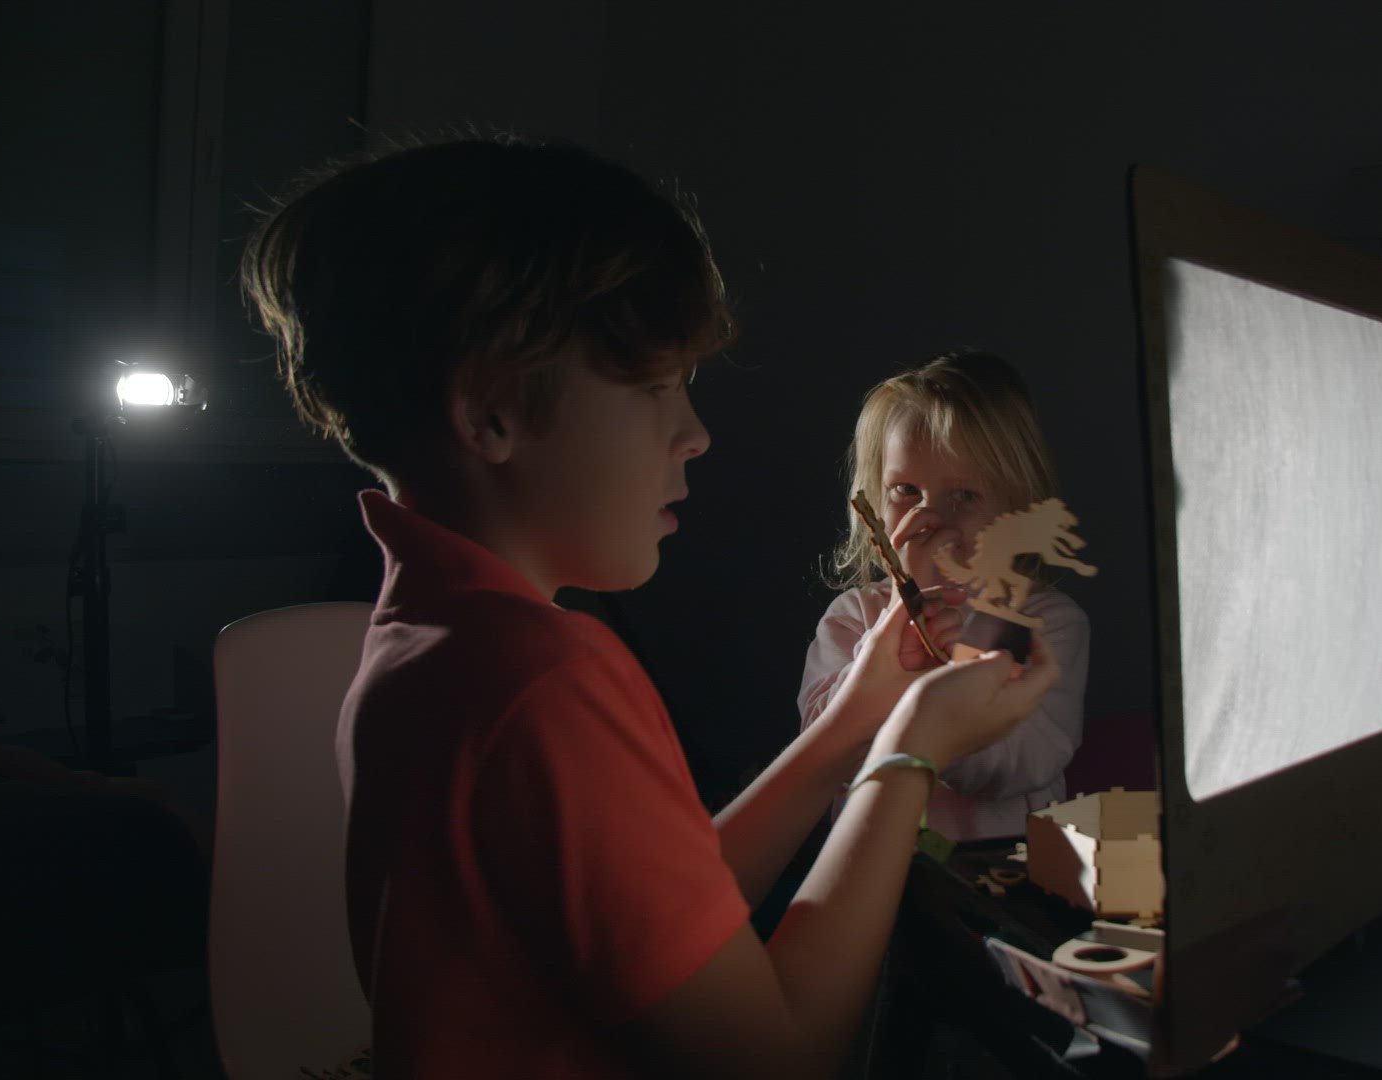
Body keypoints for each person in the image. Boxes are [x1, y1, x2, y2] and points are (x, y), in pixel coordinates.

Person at [239, 134, 1058, 1079]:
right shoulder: (546, 682)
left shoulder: (431, 637)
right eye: (657, 388)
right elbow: (773, 1058)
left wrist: (853, 725)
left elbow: (657, 911)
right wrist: (908, 754)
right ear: (492, 413)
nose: (695, 434)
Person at [800, 352, 1090, 841]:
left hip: (996, 869)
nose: (931, 518)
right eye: (906, 490)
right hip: (868, 868)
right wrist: (901, 619)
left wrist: (942, 691)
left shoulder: (1041, 623)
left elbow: (1029, 762)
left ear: (1017, 505)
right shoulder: (854, 617)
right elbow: (821, 750)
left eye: (964, 496)